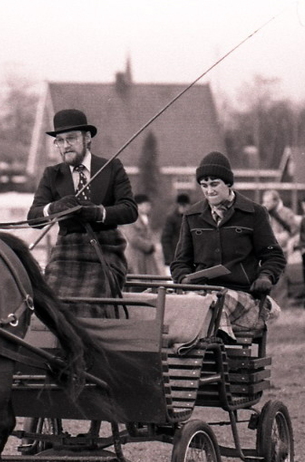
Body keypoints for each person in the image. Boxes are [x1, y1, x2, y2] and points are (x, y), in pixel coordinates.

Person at [28, 109, 137, 316]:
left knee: (88, 305)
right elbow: (33, 218)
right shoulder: (52, 174)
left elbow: (130, 210)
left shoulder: (111, 167)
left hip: (105, 251)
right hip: (65, 254)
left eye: (71, 138)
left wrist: (98, 213)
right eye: (60, 141)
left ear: (87, 138)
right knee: (50, 305)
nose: (65, 145)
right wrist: (55, 207)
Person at [170, 151, 286, 336]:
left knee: (210, 307)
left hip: (240, 293)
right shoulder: (192, 216)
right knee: (175, 306)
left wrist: (266, 276)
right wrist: (184, 279)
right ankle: (187, 350)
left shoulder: (254, 213)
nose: (209, 191)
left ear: (228, 183)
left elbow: (273, 255)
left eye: (214, 184)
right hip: (201, 292)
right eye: (204, 185)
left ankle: (208, 348)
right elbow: (180, 262)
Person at [260, 189, 300, 304]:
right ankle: (267, 301)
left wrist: (282, 237)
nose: (264, 204)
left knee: (280, 275)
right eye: (264, 201)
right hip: (267, 249)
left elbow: (294, 231)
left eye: (267, 202)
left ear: (276, 201)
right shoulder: (265, 213)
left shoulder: (287, 213)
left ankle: (280, 302)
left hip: (282, 249)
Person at [122, 194, 160, 276]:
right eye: (146, 205)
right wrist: (149, 246)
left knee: (149, 279)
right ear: (138, 206)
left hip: (147, 257)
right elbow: (133, 238)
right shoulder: (130, 218)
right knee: (137, 280)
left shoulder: (147, 218)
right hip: (135, 257)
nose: (149, 207)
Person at [160, 193, 190, 274]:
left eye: (184, 206)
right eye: (181, 205)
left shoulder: (190, 217)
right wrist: (169, 259)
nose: (183, 208)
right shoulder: (171, 218)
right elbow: (165, 239)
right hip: (174, 255)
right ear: (178, 205)